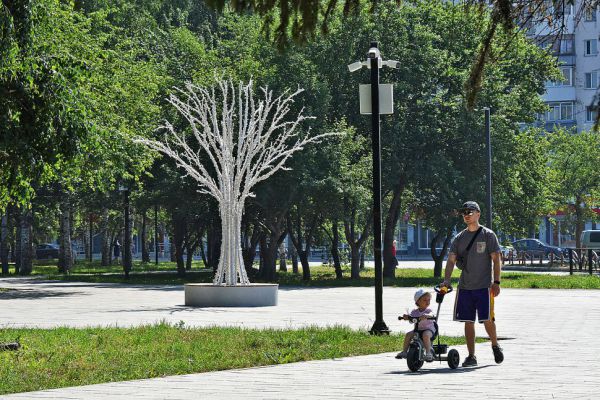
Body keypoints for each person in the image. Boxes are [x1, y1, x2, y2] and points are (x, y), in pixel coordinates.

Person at [441, 201, 504, 367]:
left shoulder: (488, 235)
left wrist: (496, 282)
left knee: (487, 319)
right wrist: (447, 280)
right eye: (464, 213)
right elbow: (451, 261)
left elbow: (496, 260)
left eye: (470, 211)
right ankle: (471, 356)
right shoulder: (459, 238)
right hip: (465, 287)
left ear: (478, 214)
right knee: (468, 321)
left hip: (484, 287)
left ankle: (495, 345)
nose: (466, 215)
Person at [395, 289, 436, 361]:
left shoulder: (428, 310)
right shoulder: (415, 312)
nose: (427, 302)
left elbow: (432, 314)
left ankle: (428, 353)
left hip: (429, 330)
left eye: (429, 300)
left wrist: (427, 315)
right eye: (425, 300)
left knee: (425, 335)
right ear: (418, 302)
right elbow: (411, 318)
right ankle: (404, 351)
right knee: (408, 334)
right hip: (418, 330)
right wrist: (406, 317)